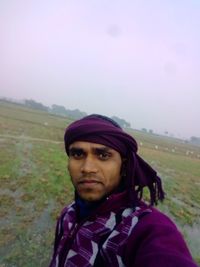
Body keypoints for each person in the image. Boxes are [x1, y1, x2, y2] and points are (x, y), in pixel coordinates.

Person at [49, 114, 198, 267]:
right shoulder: (68, 214)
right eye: (77, 154)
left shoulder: (145, 228)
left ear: (123, 166)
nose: (87, 168)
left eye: (103, 155)